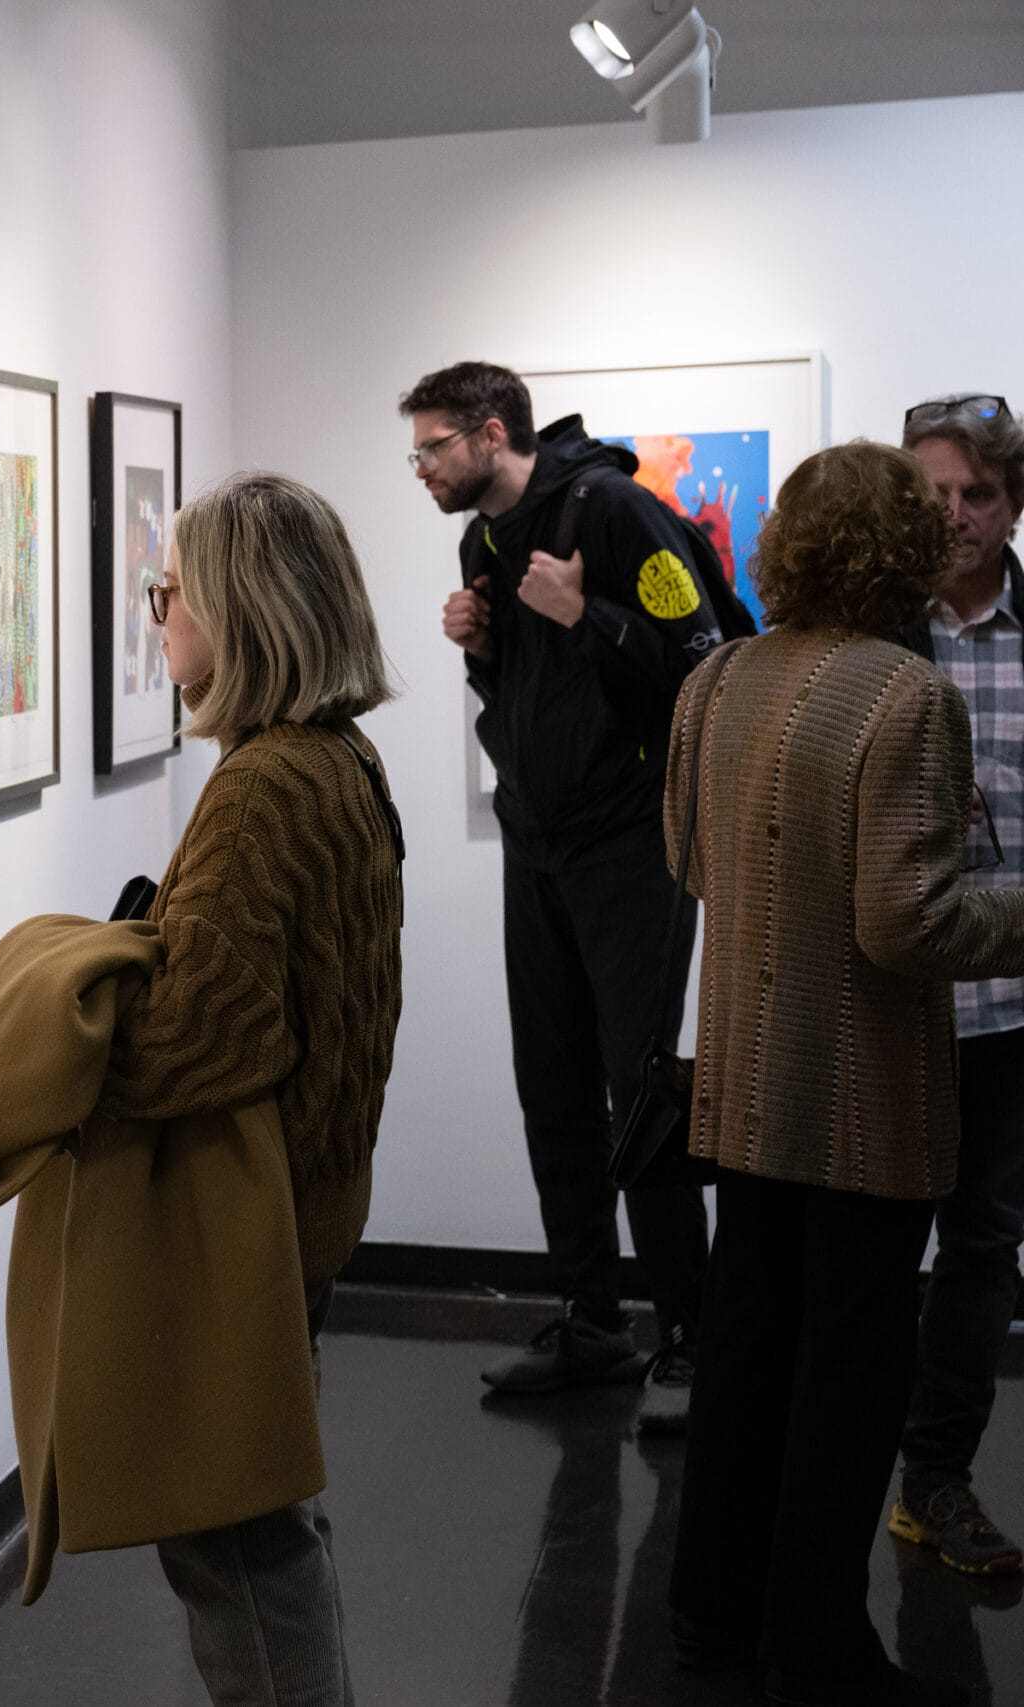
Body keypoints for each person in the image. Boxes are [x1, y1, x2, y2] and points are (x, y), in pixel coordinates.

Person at [664, 442, 1024, 1707]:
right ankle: (816, 1648)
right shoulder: (904, 695)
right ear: (901, 550)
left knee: (746, 1348)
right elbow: (907, 923)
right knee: (851, 1370)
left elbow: (690, 858)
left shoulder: (717, 675)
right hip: (863, 1094)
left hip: (747, 1076)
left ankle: (710, 1615)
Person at [100, 471, 403, 1707]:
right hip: (309, 1197)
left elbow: (196, 1042)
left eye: (169, 590)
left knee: (232, 1534)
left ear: (241, 609)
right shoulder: (338, 759)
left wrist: (78, 1012)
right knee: (268, 1512)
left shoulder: (263, 787)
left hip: (247, 1216)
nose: (157, 614)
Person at [404, 361, 719, 1430]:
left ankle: (693, 1341)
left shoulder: (615, 509)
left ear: (492, 433)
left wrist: (587, 613)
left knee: (641, 1092)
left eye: (432, 447)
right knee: (550, 1083)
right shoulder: (482, 543)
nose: (421, 467)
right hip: (535, 843)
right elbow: (529, 695)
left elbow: (706, 662)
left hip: (633, 844)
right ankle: (593, 1321)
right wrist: (484, 649)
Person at [892, 394, 1024, 1577]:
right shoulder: (872, 637)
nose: (955, 515)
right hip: (886, 1005)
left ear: (1012, 504)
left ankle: (934, 1478)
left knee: (981, 1251)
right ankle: (840, 1481)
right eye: (933, 493)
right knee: (869, 1256)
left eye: (976, 493)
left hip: (1008, 1009)